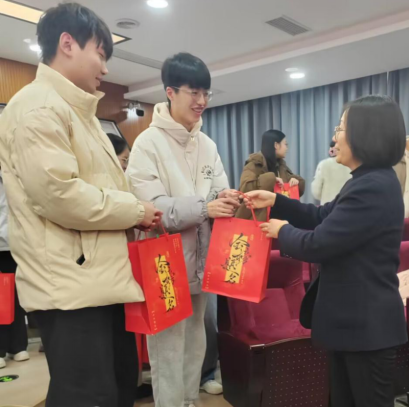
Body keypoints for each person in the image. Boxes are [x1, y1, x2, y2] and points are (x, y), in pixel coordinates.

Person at [0, 4, 162, 406]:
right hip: (69, 287)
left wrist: (135, 211)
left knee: (118, 388)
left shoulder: (79, 112)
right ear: (67, 44)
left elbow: (100, 188)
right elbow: (60, 195)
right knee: (88, 396)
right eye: (101, 54)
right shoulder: (38, 108)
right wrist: (135, 211)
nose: (105, 68)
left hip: (98, 280)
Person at [244, 95, 408, 407]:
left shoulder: (373, 186)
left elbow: (320, 243)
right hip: (354, 324)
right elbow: (321, 215)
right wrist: (277, 200)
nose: (334, 138)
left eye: (340, 129)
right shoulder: (365, 180)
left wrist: (282, 231)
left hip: (366, 328)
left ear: (365, 134)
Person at [126, 52, 238, 407]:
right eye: (194, 92)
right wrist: (205, 207)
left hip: (203, 264)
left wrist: (228, 198)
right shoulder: (148, 144)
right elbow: (152, 209)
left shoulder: (207, 144)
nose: (201, 101)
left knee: (196, 342)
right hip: (165, 264)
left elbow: (217, 189)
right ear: (170, 92)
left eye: (206, 93)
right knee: (168, 350)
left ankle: (190, 401)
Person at [236, 129, 305, 221]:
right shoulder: (254, 164)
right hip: (256, 220)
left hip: (278, 220)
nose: (287, 148)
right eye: (285, 144)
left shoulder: (280, 165)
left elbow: (290, 184)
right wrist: (272, 179)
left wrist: (296, 181)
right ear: (276, 145)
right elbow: (246, 189)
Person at [0, 168, 29, 370]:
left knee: (16, 294)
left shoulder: (11, 172)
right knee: (1, 297)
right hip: (5, 242)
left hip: (14, 243)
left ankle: (18, 345)